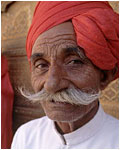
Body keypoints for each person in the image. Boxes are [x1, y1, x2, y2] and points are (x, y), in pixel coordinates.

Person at [11, 1, 119, 149]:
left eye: (74, 62)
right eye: (42, 65)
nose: (51, 84)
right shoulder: (26, 136)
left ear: (105, 76)